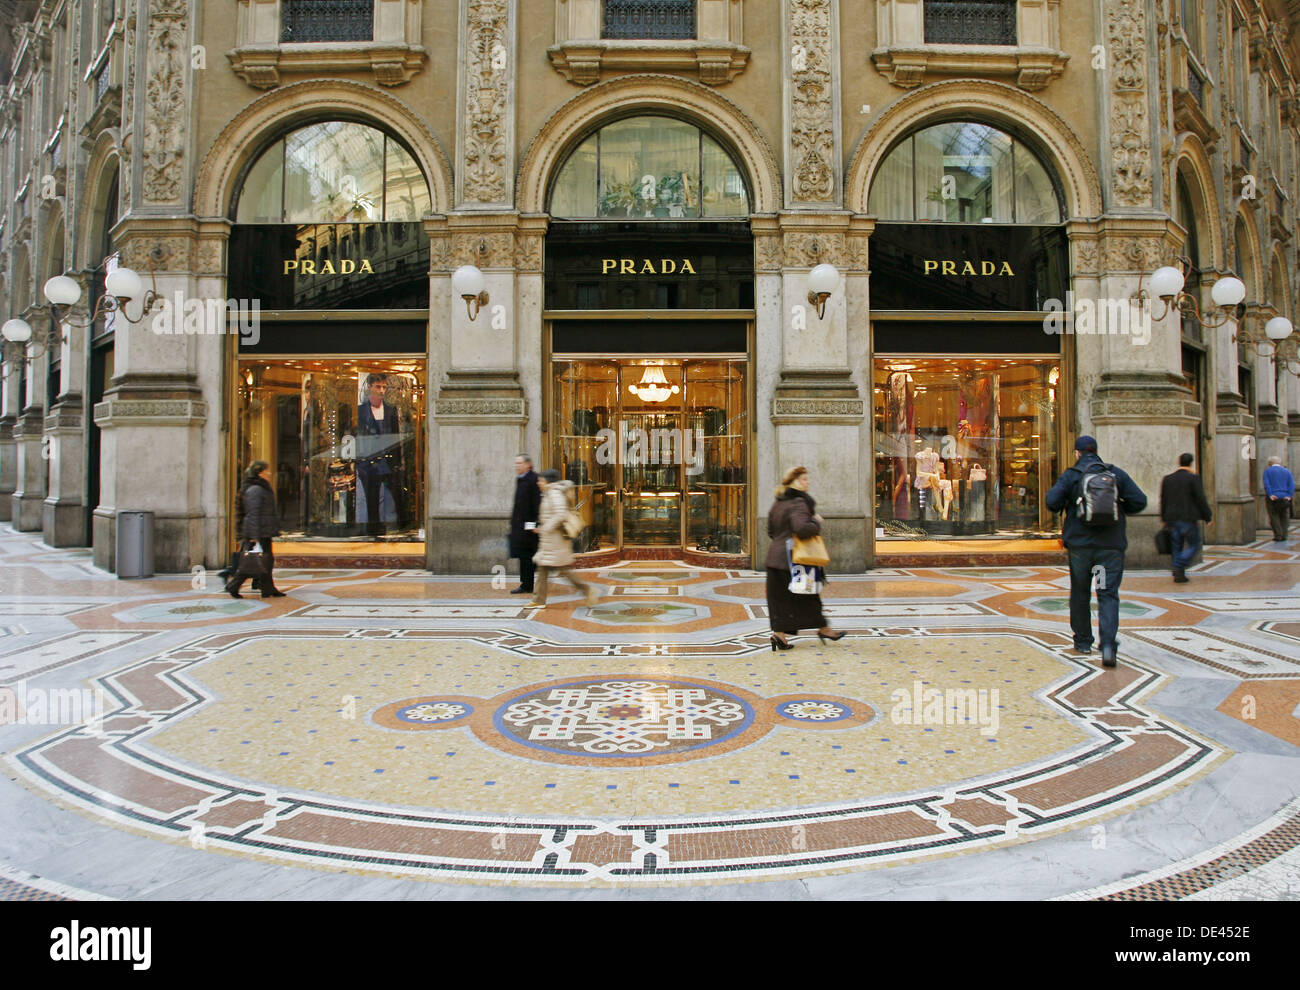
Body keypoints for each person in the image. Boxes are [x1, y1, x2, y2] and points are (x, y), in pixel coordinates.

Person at [1045, 436, 1147, 667]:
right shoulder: (1115, 474)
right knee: (1106, 593)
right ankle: (1109, 645)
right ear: (1096, 452)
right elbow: (1139, 501)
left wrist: (1069, 504)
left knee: (1080, 592)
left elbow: (1051, 501)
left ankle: (1082, 641)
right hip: (1109, 549)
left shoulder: (1072, 475)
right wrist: (1119, 506)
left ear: (1077, 453)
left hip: (1081, 549)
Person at [764, 466, 844, 650]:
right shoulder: (798, 503)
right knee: (808, 595)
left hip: (774, 557)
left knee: (779, 599)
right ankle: (824, 629)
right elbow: (801, 528)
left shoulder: (778, 503)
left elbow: (770, 531)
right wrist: (816, 521)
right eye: (805, 479)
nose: (808, 482)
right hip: (794, 560)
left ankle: (779, 636)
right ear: (796, 481)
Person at [531, 469, 600, 608]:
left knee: (564, 571)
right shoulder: (550, 493)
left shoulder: (554, 493)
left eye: (540, 480)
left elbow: (560, 514)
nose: (538, 483)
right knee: (543, 568)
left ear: (547, 481)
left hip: (556, 540)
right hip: (550, 540)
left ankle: (588, 590)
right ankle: (538, 600)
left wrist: (546, 528)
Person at [225, 460, 286, 599]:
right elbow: (253, 513)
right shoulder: (255, 489)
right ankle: (233, 585)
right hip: (258, 531)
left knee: (266, 561)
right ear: (260, 473)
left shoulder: (261, 487)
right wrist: (254, 536)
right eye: (266, 470)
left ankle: (268, 588)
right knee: (252, 561)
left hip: (263, 530)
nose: (269, 473)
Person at [356, 373, 402, 536]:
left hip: (388, 462)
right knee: (371, 498)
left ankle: (398, 525)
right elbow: (356, 437)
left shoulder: (391, 410)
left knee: (396, 495)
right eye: (378, 386)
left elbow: (395, 436)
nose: (381, 390)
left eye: (383, 387)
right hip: (367, 463)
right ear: (370, 388)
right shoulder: (361, 411)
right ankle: (373, 529)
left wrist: (397, 461)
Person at [1159, 452, 1213, 582]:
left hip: (1171, 518)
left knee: (1176, 546)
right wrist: (1208, 517)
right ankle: (1178, 566)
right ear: (1191, 463)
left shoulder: (1168, 478)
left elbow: (1163, 499)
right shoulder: (1193, 478)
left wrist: (1163, 518)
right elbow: (1201, 499)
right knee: (1194, 544)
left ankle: (1180, 575)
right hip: (1188, 518)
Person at [508, 454, 541, 595]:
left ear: (527, 464)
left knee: (528, 556)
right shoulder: (521, 480)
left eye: (519, 463)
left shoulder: (533, 480)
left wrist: (533, 524)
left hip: (528, 527)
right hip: (520, 525)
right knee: (523, 556)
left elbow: (536, 504)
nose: (517, 466)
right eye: (516, 463)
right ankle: (526, 583)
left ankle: (528, 584)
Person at [1263, 455, 1296, 542]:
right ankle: (1285, 534)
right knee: (1284, 516)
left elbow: (1267, 484)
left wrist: (1270, 494)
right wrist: (1289, 495)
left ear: (1270, 463)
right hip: (1284, 496)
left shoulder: (1268, 471)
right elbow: (1291, 484)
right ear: (1279, 462)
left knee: (1274, 516)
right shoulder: (1287, 471)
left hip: (1274, 497)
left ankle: (1278, 535)